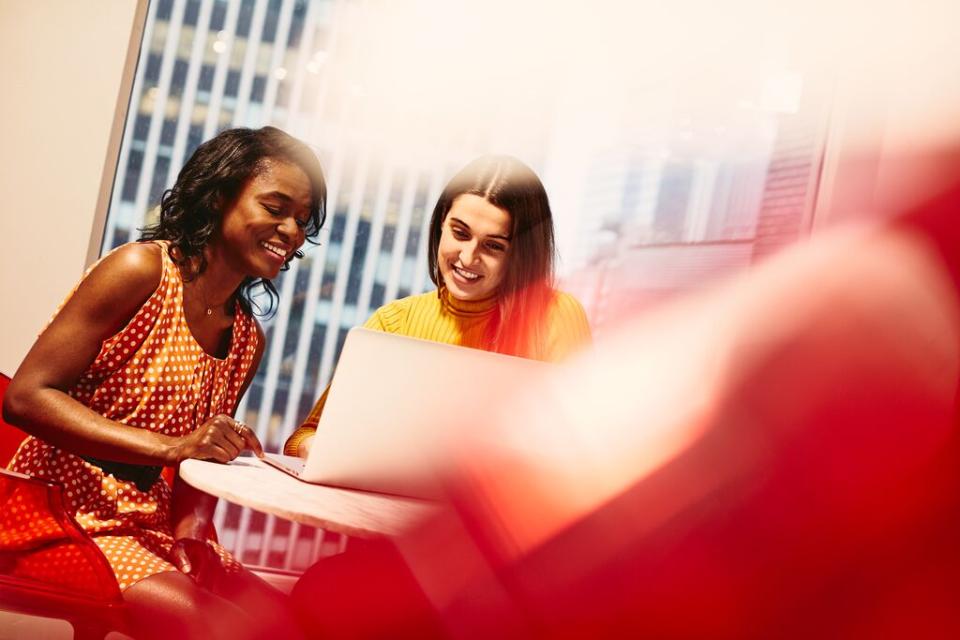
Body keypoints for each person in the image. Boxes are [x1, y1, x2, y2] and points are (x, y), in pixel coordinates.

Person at [1, 126, 325, 639]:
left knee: (294, 625)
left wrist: (193, 535)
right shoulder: (140, 270)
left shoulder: (246, 338)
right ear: (219, 198)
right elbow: (26, 397)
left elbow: (199, 462)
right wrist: (173, 447)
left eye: (302, 220)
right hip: (63, 514)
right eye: (276, 207)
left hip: (148, 527)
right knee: (229, 630)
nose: (291, 230)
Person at [283, 154, 592, 458]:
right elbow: (305, 436)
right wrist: (328, 452)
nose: (468, 258)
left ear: (520, 255)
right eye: (460, 233)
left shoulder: (558, 316)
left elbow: (576, 451)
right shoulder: (395, 323)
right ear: (441, 224)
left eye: (494, 246)